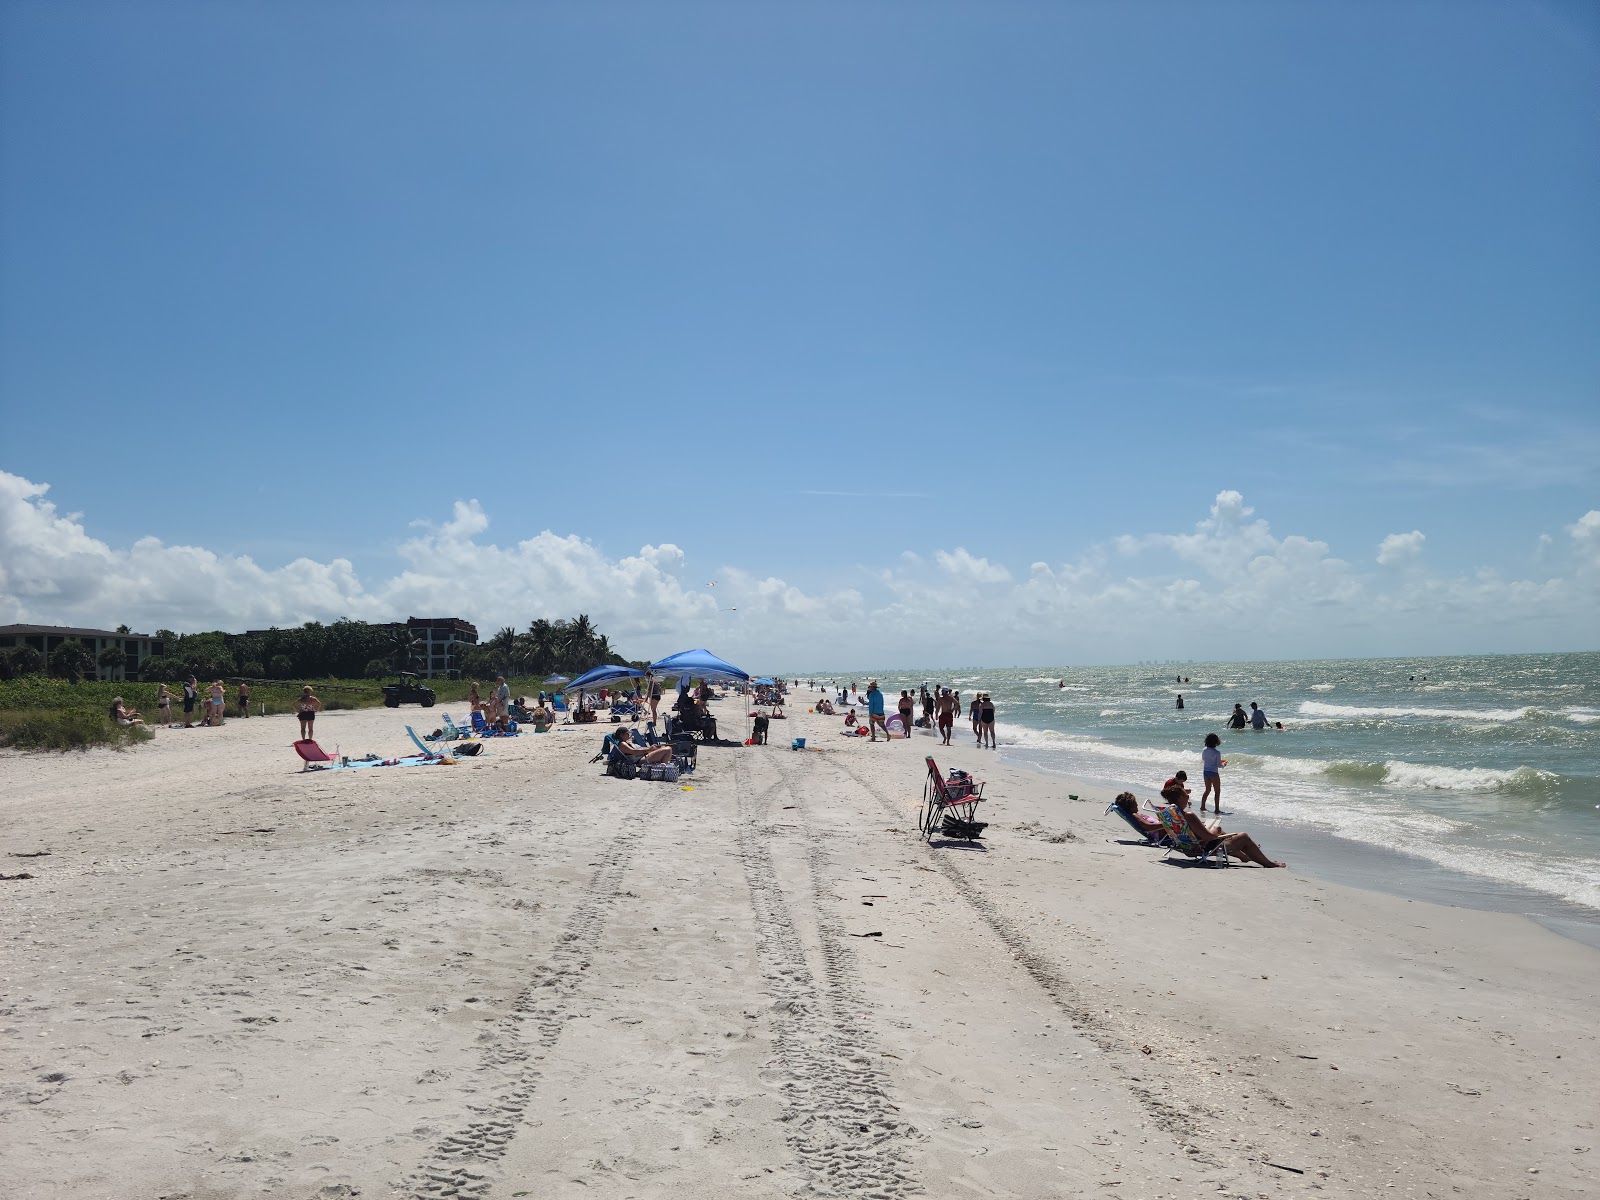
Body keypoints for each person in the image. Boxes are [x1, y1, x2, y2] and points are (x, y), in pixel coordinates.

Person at [1168, 789, 1284, 867]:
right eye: (1186, 796)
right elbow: (1208, 836)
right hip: (1203, 846)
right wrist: (1215, 830)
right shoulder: (1188, 815)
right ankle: (1269, 864)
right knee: (1243, 837)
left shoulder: (1172, 814)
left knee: (1223, 832)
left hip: (1186, 845)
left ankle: (1243, 855)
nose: (1188, 798)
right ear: (1179, 798)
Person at [1200, 733, 1223, 813]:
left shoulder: (1204, 750)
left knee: (1207, 790)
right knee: (1217, 791)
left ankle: (1202, 806)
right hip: (1213, 772)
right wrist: (1224, 764)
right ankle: (1216, 809)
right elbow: (1219, 765)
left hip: (1206, 772)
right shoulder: (1217, 752)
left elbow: (1203, 759)